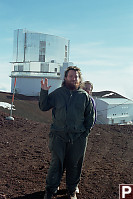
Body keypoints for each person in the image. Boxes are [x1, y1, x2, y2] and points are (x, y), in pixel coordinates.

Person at [39, 66, 95, 199]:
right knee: (56, 164)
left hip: (78, 138)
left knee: (75, 164)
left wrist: (84, 134)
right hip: (58, 135)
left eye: (76, 76)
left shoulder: (84, 96)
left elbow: (90, 118)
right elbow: (43, 106)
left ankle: (71, 190)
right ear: (65, 78)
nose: (73, 78)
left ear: (79, 79)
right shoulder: (58, 93)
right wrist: (44, 92)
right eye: (71, 76)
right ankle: (51, 190)